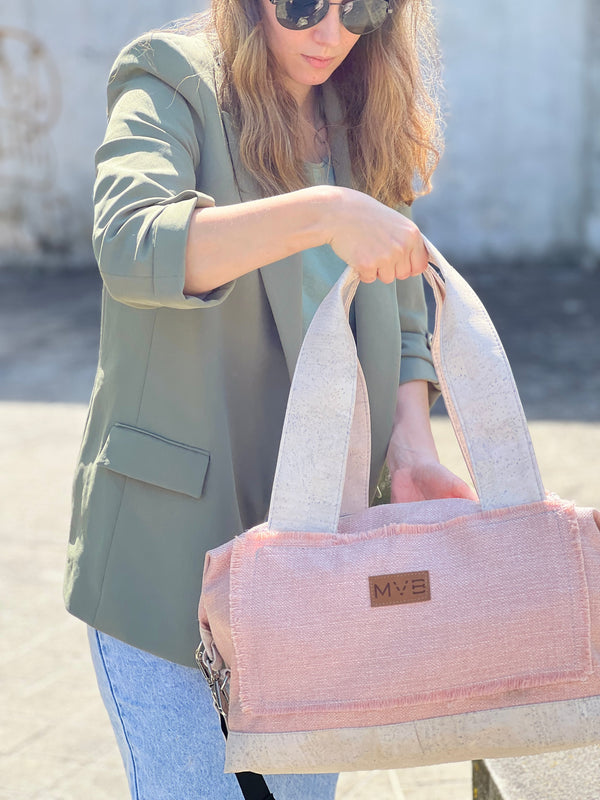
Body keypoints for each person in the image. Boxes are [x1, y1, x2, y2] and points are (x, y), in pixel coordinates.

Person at [64, 0, 476, 796]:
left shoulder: (360, 105)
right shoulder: (169, 76)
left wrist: (411, 445)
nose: (331, 33)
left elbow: (402, 302)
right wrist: (324, 213)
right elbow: (132, 242)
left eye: (362, 8)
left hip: (317, 559)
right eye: (303, 4)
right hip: (173, 555)